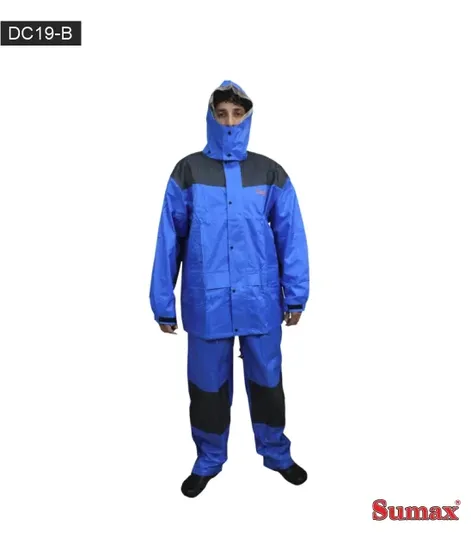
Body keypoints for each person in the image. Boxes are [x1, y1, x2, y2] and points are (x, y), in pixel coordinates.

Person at [149, 80, 310, 498]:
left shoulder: (270, 172)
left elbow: (291, 236)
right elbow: (169, 239)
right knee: (207, 388)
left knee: (268, 382)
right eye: (221, 114)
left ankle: (276, 453)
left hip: (260, 300)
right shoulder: (188, 171)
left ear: (248, 118)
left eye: (237, 114)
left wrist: (296, 294)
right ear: (210, 118)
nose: (230, 122)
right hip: (208, 302)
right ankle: (208, 460)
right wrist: (162, 302)